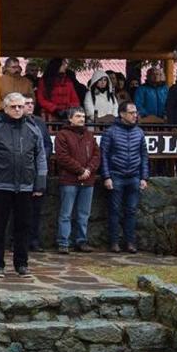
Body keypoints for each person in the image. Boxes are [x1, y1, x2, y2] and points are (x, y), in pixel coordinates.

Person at [0, 92, 47, 277]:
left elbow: (41, 156)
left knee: (23, 227)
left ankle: (21, 264)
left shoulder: (33, 129)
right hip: (0, 185)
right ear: (5, 107)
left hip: (26, 186)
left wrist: (40, 183)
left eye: (21, 106)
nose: (17, 110)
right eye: (14, 106)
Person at [100, 100, 149, 253]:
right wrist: (106, 176)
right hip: (116, 175)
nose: (135, 115)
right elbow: (104, 156)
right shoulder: (110, 132)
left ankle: (130, 243)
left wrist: (144, 177)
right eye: (132, 113)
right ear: (122, 114)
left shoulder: (139, 132)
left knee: (131, 211)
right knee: (114, 211)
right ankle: (114, 242)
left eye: (136, 112)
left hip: (134, 176)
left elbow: (144, 156)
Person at [54, 108, 100, 254]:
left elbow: (97, 155)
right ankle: (63, 242)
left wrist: (88, 170)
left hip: (87, 180)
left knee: (83, 213)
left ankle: (81, 241)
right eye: (78, 116)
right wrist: (80, 170)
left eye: (83, 116)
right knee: (66, 213)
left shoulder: (89, 135)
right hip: (69, 179)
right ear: (70, 118)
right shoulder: (62, 135)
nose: (82, 119)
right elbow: (62, 157)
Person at [23, 94, 53, 251]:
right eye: (26, 103)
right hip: (21, 171)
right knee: (19, 210)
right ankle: (17, 241)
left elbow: (47, 144)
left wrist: (42, 156)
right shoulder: (16, 122)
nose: (29, 106)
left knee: (36, 209)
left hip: (38, 171)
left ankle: (34, 240)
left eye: (31, 103)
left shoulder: (40, 123)